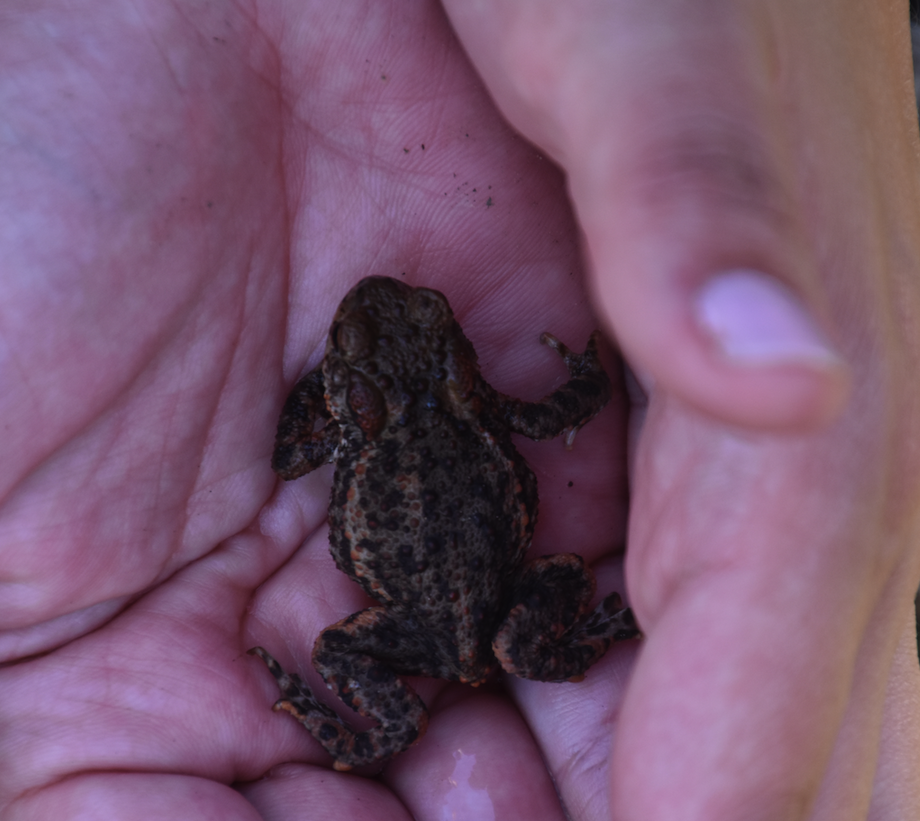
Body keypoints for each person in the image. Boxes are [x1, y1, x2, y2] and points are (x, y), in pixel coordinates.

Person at [0, 1, 917, 819]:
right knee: (529, 610)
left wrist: (317, 398)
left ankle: (395, 721)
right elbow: (574, 400)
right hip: (480, 597)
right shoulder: (487, 415)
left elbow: (287, 460)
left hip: (449, 605)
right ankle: (557, 643)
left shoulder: (363, 435)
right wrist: (584, 370)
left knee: (346, 644)